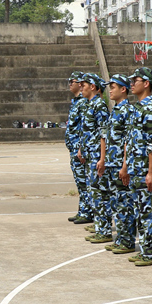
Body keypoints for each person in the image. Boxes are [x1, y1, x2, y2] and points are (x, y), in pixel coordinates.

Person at [122, 66, 152, 266]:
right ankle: (145, 248)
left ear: (146, 84)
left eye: (135, 81)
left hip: (145, 169)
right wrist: (126, 165)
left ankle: (151, 252)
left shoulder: (151, 110)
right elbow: (130, 140)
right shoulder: (135, 108)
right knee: (139, 211)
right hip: (135, 169)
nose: (131, 84)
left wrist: (151, 172)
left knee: (148, 212)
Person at [102, 74, 137, 253]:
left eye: (113, 87)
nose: (110, 90)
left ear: (123, 89)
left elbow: (128, 141)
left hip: (120, 165)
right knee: (116, 204)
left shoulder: (127, 110)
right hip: (112, 164)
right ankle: (121, 239)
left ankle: (128, 241)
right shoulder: (115, 110)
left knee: (125, 204)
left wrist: (125, 166)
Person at [77, 75, 112, 244]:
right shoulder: (90, 104)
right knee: (94, 193)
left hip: (97, 157)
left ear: (92, 86)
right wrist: (81, 149)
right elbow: (87, 131)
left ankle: (104, 230)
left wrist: (102, 158)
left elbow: (103, 134)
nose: (80, 87)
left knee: (100, 194)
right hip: (90, 156)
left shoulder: (99, 105)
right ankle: (99, 227)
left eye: (83, 85)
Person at [65, 73, 91, 223]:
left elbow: (85, 127)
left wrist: (81, 147)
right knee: (80, 183)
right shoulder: (76, 102)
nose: (70, 84)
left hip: (79, 149)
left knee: (84, 182)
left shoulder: (83, 102)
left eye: (72, 81)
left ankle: (87, 212)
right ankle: (82, 210)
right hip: (73, 148)